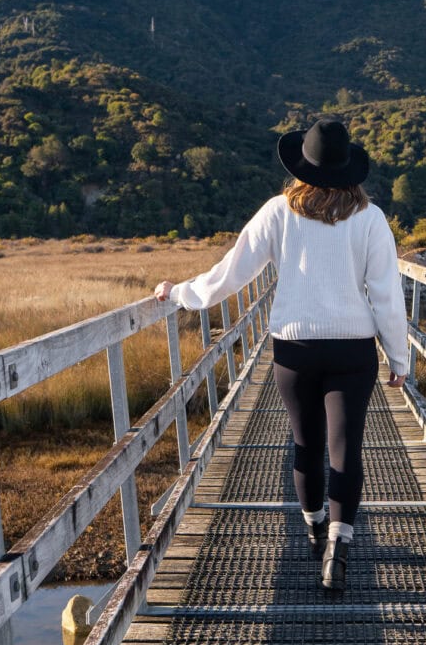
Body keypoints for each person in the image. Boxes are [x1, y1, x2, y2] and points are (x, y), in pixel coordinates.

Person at [154, 118, 409, 591]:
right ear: (349, 169)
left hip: (295, 350)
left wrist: (180, 294)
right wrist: (399, 358)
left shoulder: (277, 212)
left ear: (301, 166)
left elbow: (231, 275)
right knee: (346, 447)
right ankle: (339, 546)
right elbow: (387, 294)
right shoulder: (370, 219)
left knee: (307, 446)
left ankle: (314, 529)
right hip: (354, 351)